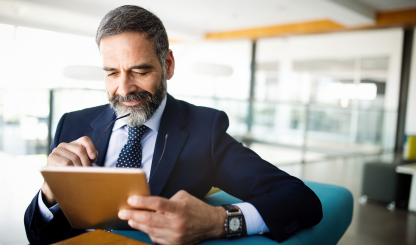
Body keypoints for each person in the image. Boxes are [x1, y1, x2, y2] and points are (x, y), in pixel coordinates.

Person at [24, 5, 322, 245]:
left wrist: (218, 222)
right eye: (112, 73)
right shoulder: (71, 124)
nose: (125, 89)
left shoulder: (205, 130)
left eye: (139, 71)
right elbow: (39, 235)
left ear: (168, 64)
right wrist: (49, 195)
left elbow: (300, 199)